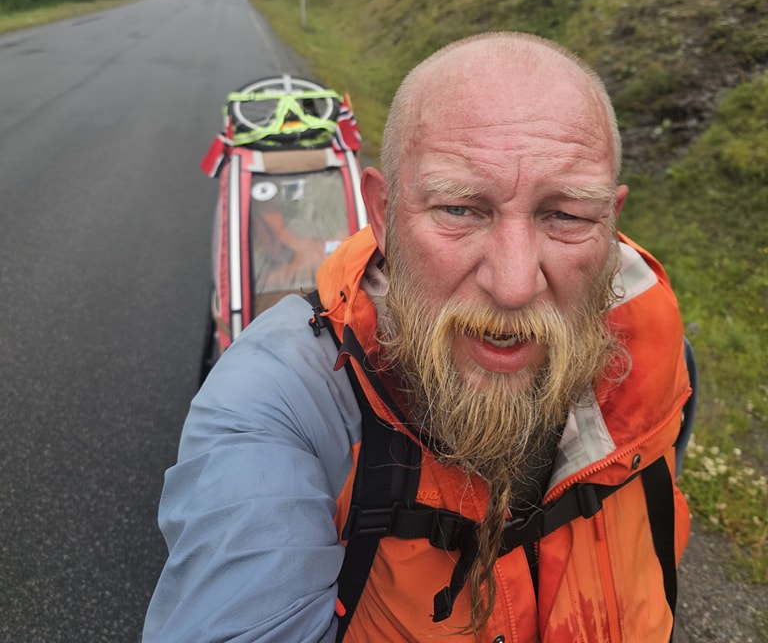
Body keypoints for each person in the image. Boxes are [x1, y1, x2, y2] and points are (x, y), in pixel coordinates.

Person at [143, 32, 691, 643]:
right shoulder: (280, 400)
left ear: (610, 223)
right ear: (381, 214)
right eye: (459, 209)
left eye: (566, 215)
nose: (513, 286)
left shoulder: (655, 359)